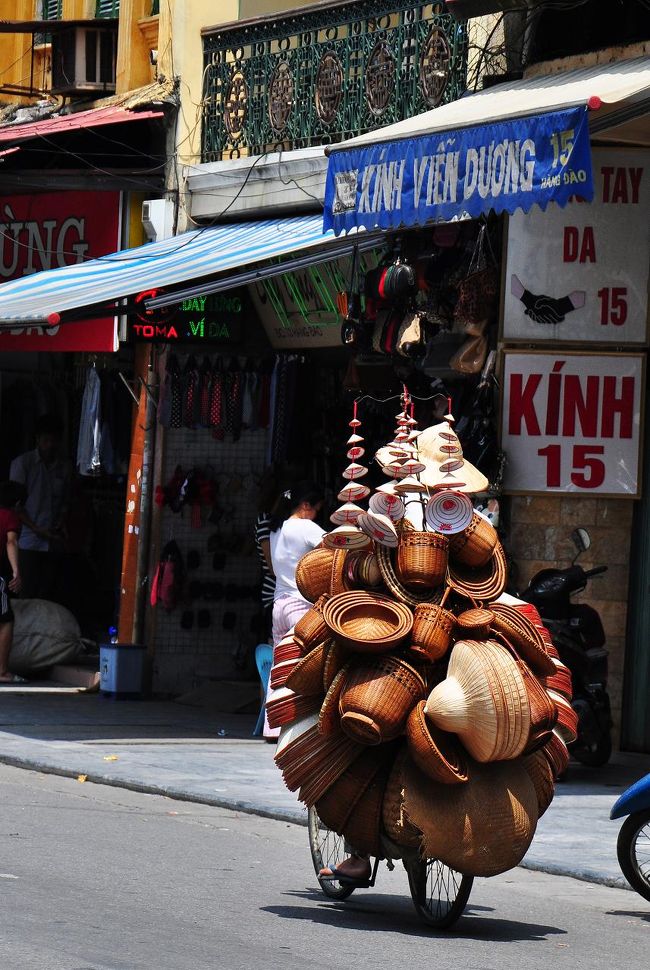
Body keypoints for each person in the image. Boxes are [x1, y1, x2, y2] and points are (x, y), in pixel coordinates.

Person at [263, 481, 325, 741]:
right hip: (302, 604)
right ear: (306, 505)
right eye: (316, 509)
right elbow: (334, 548)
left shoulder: (277, 529)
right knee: (304, 666)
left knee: (280, 664)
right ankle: (299, 725)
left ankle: (272, 726)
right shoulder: (306, 526)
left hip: (280, 604)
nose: (315, 515)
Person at [9, 414, 72, 602]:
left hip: (53, 543)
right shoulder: (23, 464)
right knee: (26, 595)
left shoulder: (64, 467)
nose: (50, 445)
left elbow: (65, 502)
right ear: (38, 439)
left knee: (47, 596)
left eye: (54, 441)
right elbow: (16, 507)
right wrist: (38, 529)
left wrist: (61, 523)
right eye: (46, 440)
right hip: (28, 542)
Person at [0, 481, 26, 683]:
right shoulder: (9, 517)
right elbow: (11, 541)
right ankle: (2, 672)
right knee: (5, 620)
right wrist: (16, 572)